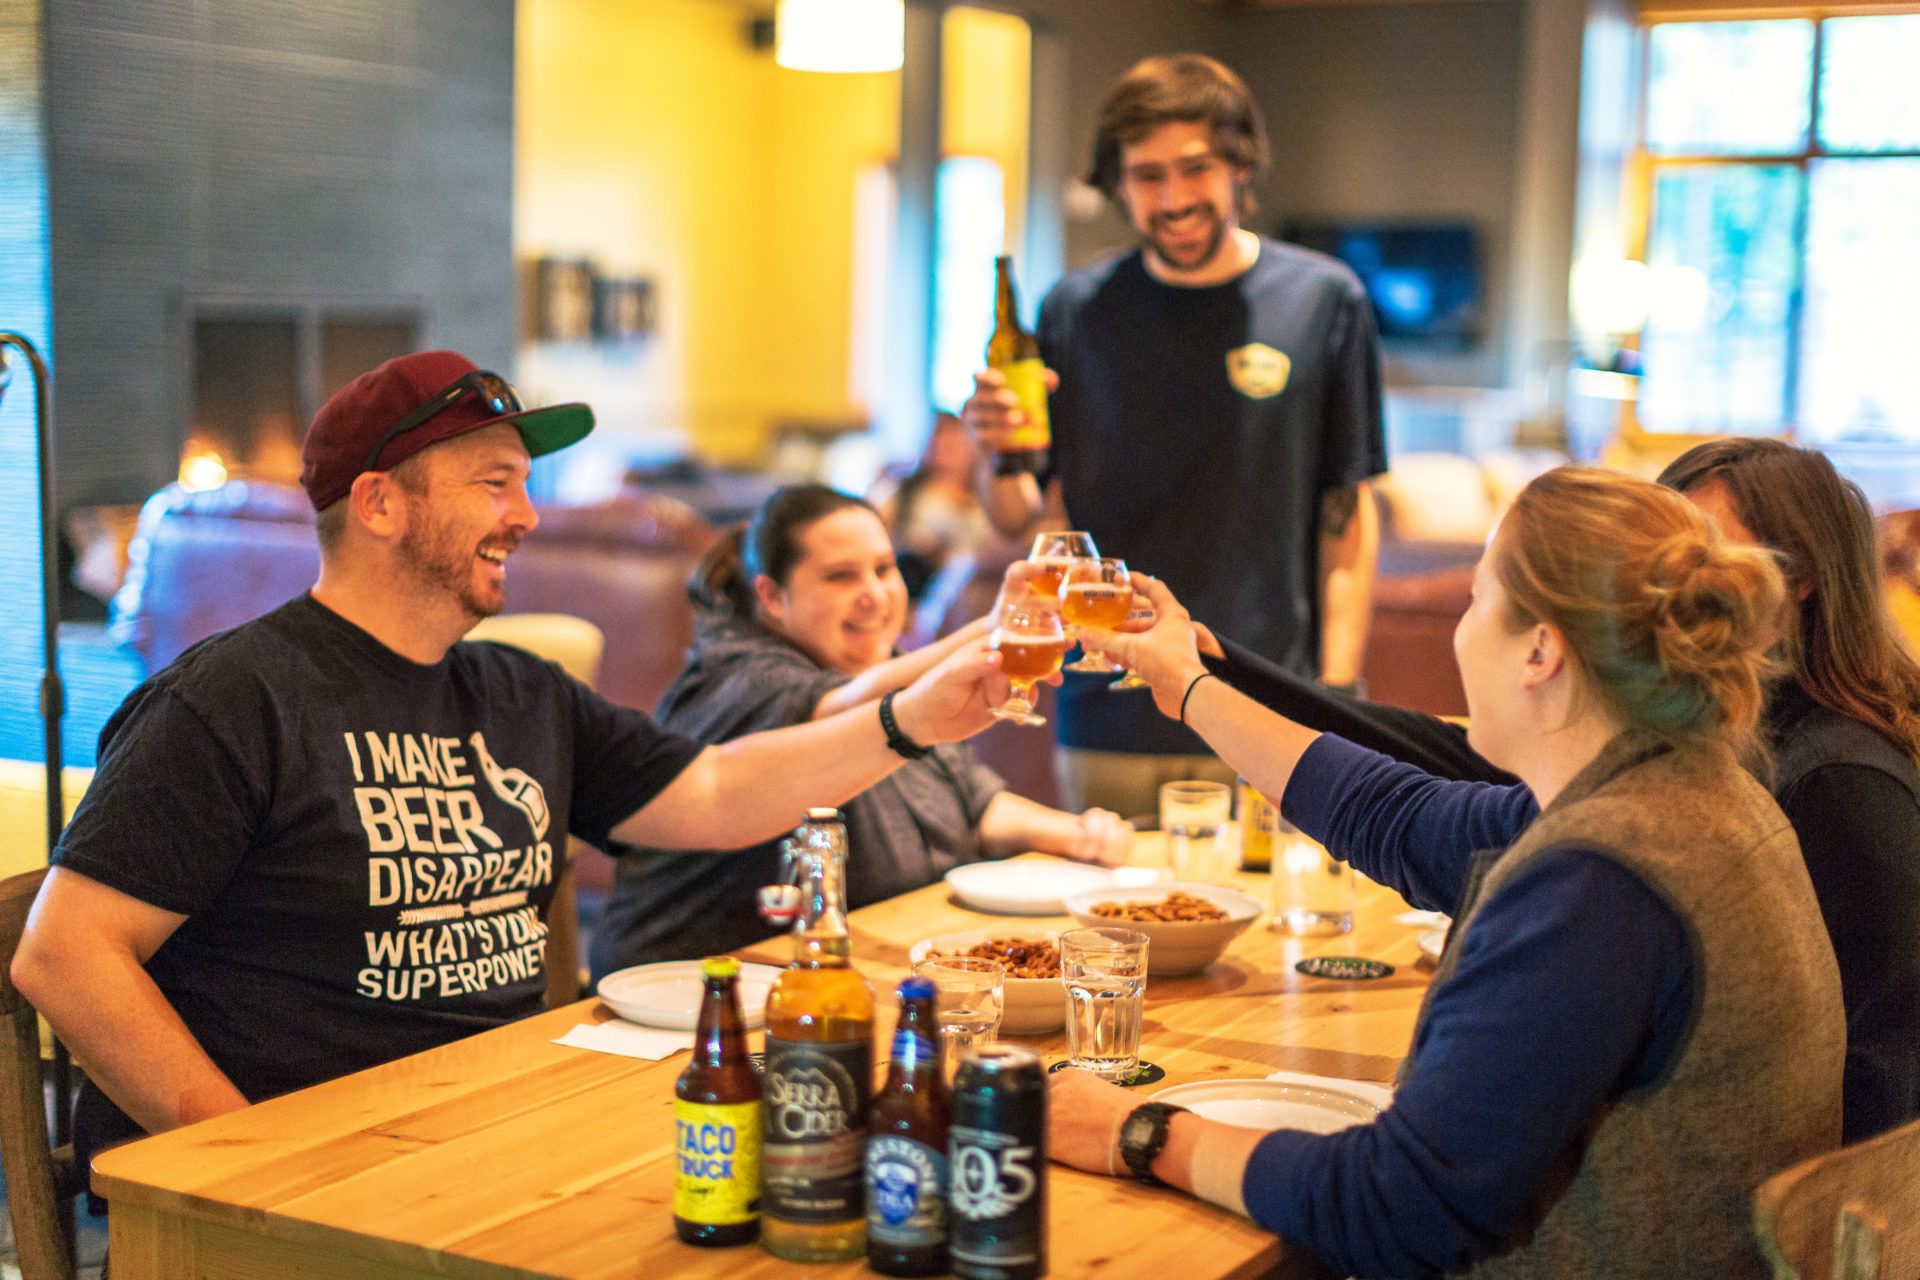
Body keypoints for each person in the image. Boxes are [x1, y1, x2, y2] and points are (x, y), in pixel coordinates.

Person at [9, 351, 1011, 1178]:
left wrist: (912, 718)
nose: (526, 515)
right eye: (494, 483)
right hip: (308, 1170)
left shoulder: (521, 693)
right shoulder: (232, 701)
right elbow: (65, 955)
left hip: (492, 1128)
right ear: (380, 504)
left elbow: (716, 790)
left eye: (525, 484)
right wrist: (251, 1164)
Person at [1051, 466, 1843, 1278]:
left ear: (1540, 651)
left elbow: (1397, 1208)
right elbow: (1394, 816)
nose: (1461, 633)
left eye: (1475, 601)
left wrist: (1135, 1131)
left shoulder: (1601, 879)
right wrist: (1187, 686)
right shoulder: (1686, 792)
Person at [1192, 438, 1920, 1144]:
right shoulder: (1688, 760)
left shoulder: (1829, 781)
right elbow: (1432, 795)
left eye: (1699, 554)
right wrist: (1215, 677)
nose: (1666, 584)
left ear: (1797, 578)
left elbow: (1879, 1083)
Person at [960, 53, 1386, 819]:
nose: (1175, 198)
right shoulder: (1075, 310)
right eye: (1147, 175)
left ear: (1239, 166)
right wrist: (995, 451)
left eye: (1196, 168)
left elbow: (1346, 520)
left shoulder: (1325, 301)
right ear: (1117, 185)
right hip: (1107, 704)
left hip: (1270, 703)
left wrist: (1338, 694)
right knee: (1114, 894)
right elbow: (1019, 516)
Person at [591, 484, 1130, 976]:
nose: (874, 594)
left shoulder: (888, 666)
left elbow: (972, 800)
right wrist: (992, 630)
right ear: (773, 597)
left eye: (883, 569)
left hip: (848, 967)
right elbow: (847, 711)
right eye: (841, 576)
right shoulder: (734, 675)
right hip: (694, 987)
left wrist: (1074, 833)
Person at [877, 412, 999, 599]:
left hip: (975, 585)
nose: (945, 445)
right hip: (920, 587)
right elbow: (879, 533)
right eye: (939, 438)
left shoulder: (989, 494)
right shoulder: (906, 491)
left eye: (955, 439)